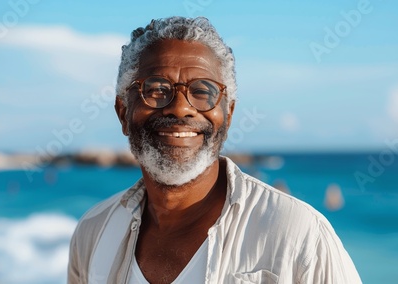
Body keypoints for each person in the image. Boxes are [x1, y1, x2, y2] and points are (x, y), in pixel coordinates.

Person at [68, 16, 362, 284]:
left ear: (228, 114)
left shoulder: (299, 236)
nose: (180, 108)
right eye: (156, 88)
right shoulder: (93, 233)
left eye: (202, 91)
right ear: (123, 112)